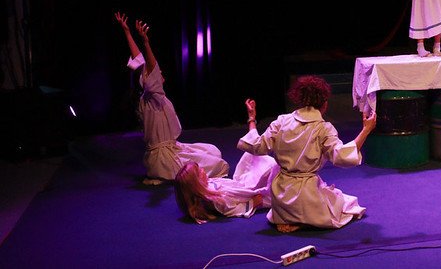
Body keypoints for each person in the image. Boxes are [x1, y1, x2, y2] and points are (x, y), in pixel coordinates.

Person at [237, 75, 377, 233]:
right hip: (307, 196)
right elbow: (342, 156)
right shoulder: (323, 129)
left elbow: (256, 146)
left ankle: (288, 217)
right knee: (348, 204)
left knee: (336, 198)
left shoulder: (282, 121)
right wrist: (366, 130)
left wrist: (252, 119)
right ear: (325, 104)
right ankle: (303, 220)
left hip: (281, 193)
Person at [114, 12, 229, 185]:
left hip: (170, 149)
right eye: (156, 72)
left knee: (212, 151)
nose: (159, 72)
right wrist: (146, 42)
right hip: (164, 159)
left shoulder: (148, 95)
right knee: (219, 165)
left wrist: (127, 32)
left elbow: (140, 62)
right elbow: (149, 66)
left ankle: (160, 173)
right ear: (149, 80)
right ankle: (160, 174)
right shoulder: (152, 96)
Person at [174, 103, 280, 224]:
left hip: (242, 185)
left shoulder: (209, 186)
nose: (203, 170)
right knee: (273, 168)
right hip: (252, 193)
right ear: (196, 184)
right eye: (199, 172)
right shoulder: (215, 200)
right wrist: (253, 203)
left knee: (252, 154)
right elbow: (231, 210)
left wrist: (251, 118)